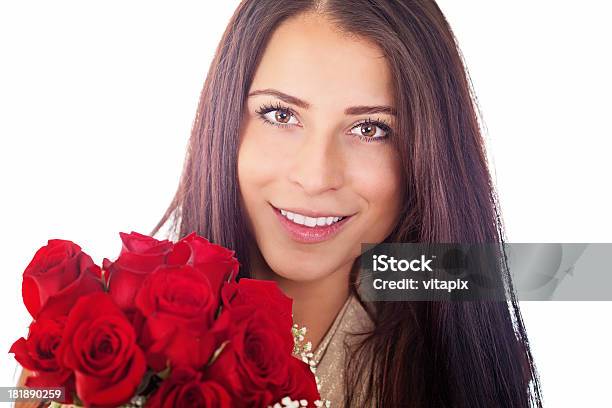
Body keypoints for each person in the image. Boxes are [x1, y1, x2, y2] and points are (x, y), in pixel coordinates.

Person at [18, 1, 543, 407]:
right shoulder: (98, 331)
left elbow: (578, 268)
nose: (315, 177)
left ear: (428, 151)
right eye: (280, 115)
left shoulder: (451, 310)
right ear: (227, 120)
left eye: (370, 128)